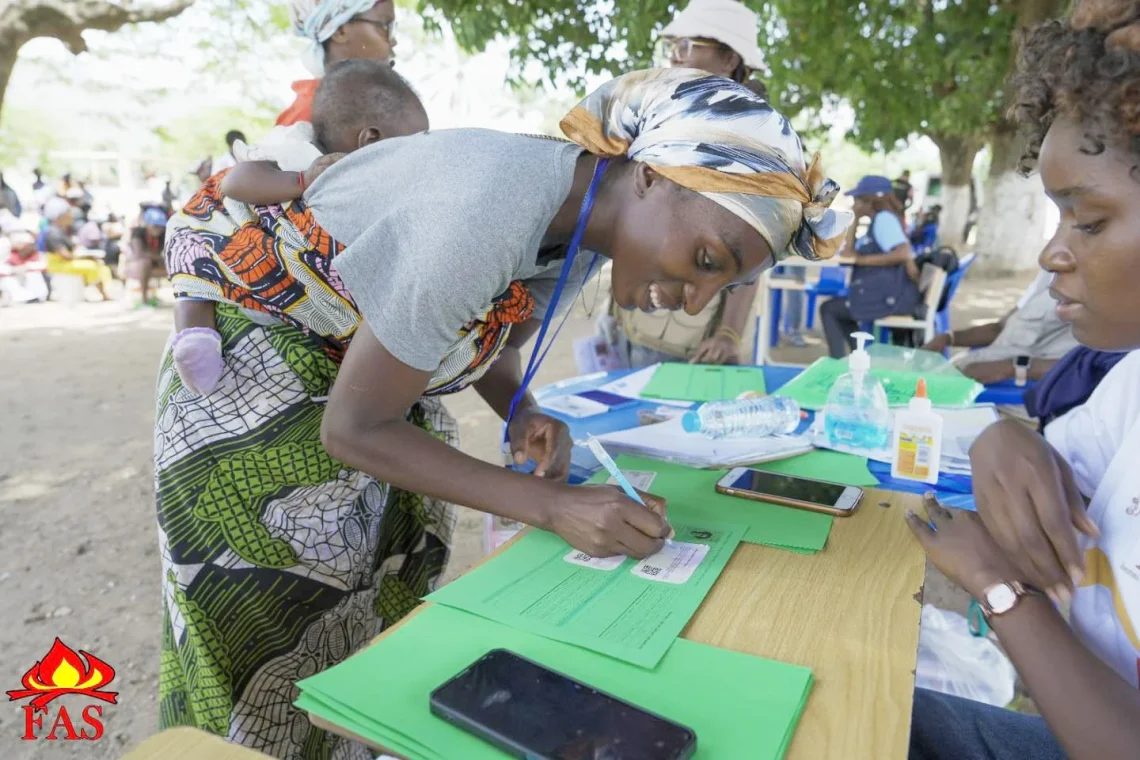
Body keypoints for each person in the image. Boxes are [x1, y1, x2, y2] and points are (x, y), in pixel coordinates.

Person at [155, 67, 850, 758]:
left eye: (719, 284)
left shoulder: (583, 224)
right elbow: (356, 428)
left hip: (359, 388)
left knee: (354, 651)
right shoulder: (488, 204)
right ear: (652, 176)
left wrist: (520, 409)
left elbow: (466, 333)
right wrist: (552, 507)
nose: (696, 302)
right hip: (262, 396)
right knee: (270, 674)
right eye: (704, 259)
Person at [907, 4, 1140, 758]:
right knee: (856, 704)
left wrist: (1000, 591)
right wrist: (1001, 438)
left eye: (1090, 222)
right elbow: (1040, 454)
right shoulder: (1132, 385)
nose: (1052, 255)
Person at [170, 60, 421, 395]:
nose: (421, 157)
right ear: (371, 140)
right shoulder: (300, 150)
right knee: (195, 258)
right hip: (231, 244)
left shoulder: (377, 189)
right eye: (415, 144)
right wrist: (301, 180)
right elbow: (235, 183)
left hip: (284, 302)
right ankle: (195, 337)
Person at [604, 0, 772, 367]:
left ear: (729, 59)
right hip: (628, 324)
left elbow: (753, 256)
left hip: (691, 343)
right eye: (671, 49)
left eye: (685, 47)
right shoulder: (665, 121)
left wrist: (728, 334)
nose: (674, 59)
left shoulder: (754, 143)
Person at [921, 268, 1079, 385]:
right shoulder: (1048, 274)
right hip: (977, 368)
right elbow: (999, 328)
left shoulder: (1091, 294)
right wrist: (948, 338)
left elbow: (1084, 365)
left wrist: (1010, 368)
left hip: (1017, 390)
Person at [820, 175, 920, 358]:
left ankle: (840, 362)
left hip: (890, 297)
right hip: (882, 293)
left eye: (858, 199)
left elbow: (903, 253)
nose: (854, 203)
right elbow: (849, 254)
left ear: (871, 200)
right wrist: (855, 219)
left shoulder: (884, 220)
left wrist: (861, 261)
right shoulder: (879, 220)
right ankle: (861, 356)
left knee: (829, 310)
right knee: (835, 309)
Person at [278, 0, 398, 127]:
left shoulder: (367, 102)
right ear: (340, 31)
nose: (393, 41)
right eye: (385, 26)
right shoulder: (303, 121)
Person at [39, 197, 111, 301]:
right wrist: (84, 256)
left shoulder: (61, 230)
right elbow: (65, 255)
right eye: (68, 213)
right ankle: (98, 293)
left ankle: (102, 291)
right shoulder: (53, 232)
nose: (70, 215)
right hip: (58, 264)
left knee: (100, 265)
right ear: (60, 215)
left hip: (65, 262)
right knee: (91, 266)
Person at [130, 206, 168, 306]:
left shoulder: (163, 234)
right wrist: (160, 258)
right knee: (145, 263)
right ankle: (144, 299)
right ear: (147, 224)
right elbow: (139, 254)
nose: (158, 229)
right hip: (137, 265)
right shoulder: (138, 232)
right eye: (155, 226)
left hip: (156, 263)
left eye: (160, 226)